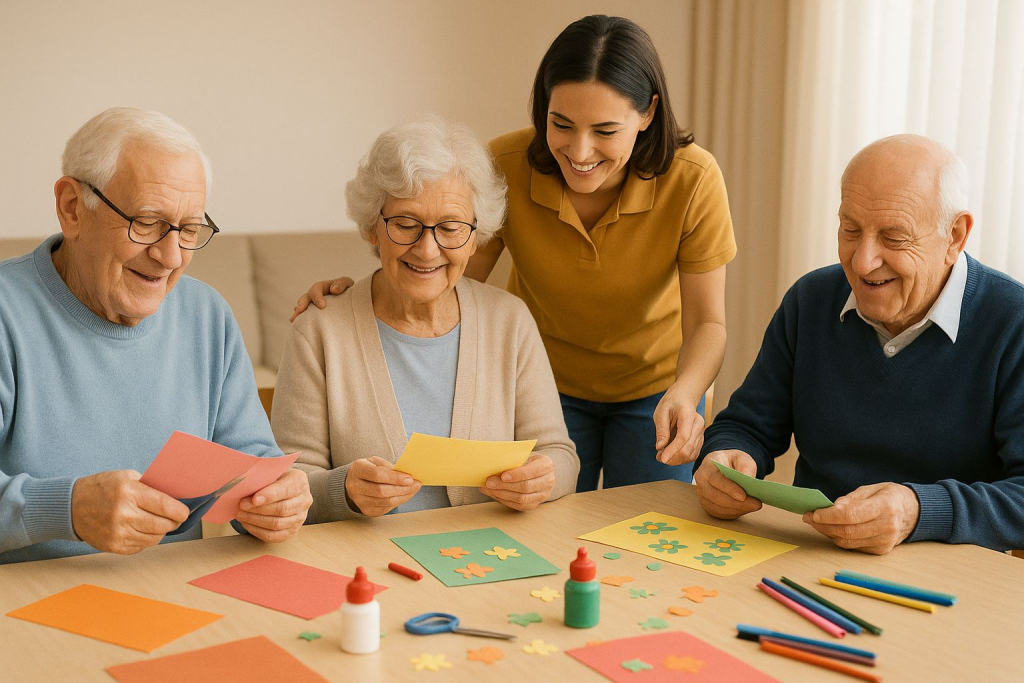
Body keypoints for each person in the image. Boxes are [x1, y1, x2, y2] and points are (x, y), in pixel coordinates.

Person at [292, 15, 736, 491]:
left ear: (647, 114)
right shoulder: (506, 164)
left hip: (655, 388)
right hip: (545, 383)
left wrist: (686, 394)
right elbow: (446, 269)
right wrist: (357, 297)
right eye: (560, 123)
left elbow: (707, 322)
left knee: (652, 532)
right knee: (551, 529)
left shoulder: (693, 179)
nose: (580, 151)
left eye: (605, 130)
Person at [0, 108, 312, 564]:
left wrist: (276, 501)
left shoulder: (207, 316)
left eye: (188, 229)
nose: (170, 257)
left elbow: (250, 464)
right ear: (72, 208)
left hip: (169, 594)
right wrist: (67, 510)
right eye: (146, 222)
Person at [693, 134, 1024, 554]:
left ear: (955, 236)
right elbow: (747, 425)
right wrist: (726, 458)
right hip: (808, 560)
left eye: (894, 237)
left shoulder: (1013, 322)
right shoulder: (809, 301)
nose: (863, 261)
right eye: (850, 229)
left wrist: (919, 510)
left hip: (950, 584)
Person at [271, 115, 579, 521]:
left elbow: (559, 454)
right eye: (405, 224)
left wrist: (544, 478)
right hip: (366, 568)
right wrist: (342, 490)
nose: (428, 250)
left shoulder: (509, 320)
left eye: (450, 228)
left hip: (487, 562)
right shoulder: (320, 330)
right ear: (372, 228)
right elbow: (287, 482)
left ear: (475, 236)